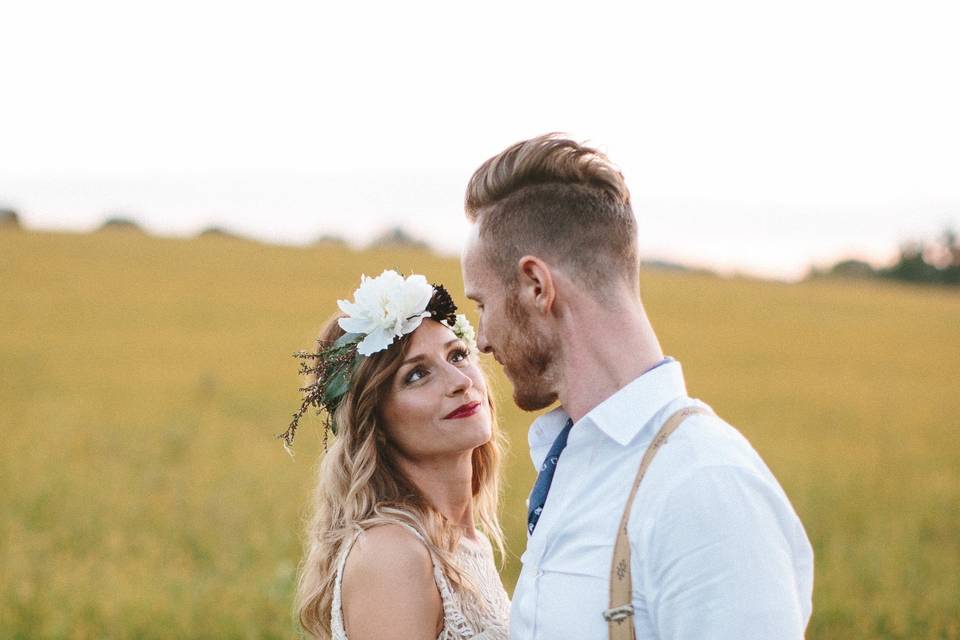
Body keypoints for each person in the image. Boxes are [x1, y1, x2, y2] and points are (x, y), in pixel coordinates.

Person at [460, 134, 814, 639]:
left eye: (482, 305)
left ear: (536, 285)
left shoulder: (704, 487)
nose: (482, 339)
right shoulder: (578, 464)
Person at [280, 270, 510, 640]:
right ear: (376, 423)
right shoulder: (392, 554)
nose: (460, 382)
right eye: (417, 375)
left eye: (458, 355)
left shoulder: (467, 543)